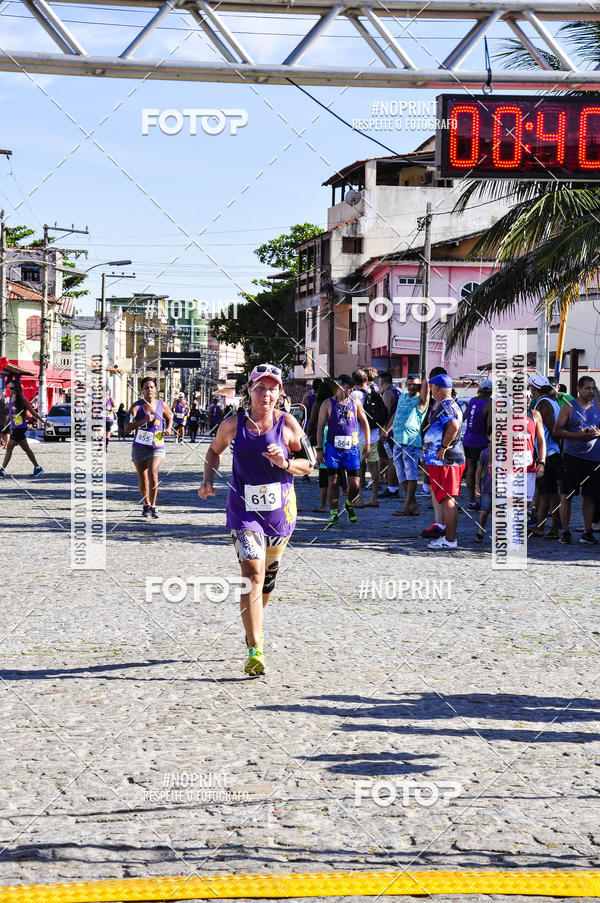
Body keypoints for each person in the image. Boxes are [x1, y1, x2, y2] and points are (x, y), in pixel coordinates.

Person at [198, 363, 314, 676]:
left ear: (280, 392)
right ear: (249, 390)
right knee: (253, 572)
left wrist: (286, 462)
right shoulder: (233, 423)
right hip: (243, 509)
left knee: (268, 577)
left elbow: (311, 463)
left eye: (272, 387)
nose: (266, 393)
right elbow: (213, 452)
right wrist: (208, 479)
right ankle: (255, 647)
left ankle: (254, 619)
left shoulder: (288, 424)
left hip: (280, 513)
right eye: (260, 387)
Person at [316, 374, 370, 526]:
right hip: (333, 448)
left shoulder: (355, 402)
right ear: (339, 386)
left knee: (355, 484)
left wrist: (366, 443)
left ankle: (348, 504)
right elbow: (320, 427)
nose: (349, 392)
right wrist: (319, 448)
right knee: (333, 482)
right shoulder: (327, 403)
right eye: (347, 388)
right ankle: (333, 513)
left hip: (351, 448)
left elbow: (364, 422)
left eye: (352, 389)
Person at [554, 375, 600, 545]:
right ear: (578, 389)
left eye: (593, 388)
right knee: (567, 495)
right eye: (587, 388)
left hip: (594, 459)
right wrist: (577, 436)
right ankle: (565, 531)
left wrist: (597, 433)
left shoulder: (598, 406)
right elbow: (557, 431)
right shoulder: (568, 407)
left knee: (590, 496)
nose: (590, 391)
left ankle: (587, 531)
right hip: (573, 458)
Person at [422, 373, 465, 550]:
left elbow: (453, 426)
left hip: (444, 461)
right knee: (445, 498)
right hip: (443, 460)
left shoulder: (446, 405)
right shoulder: (451, 403)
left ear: (438, 389)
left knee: (447, 499)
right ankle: (447, 536)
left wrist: (444, 447)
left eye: (432, 386)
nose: (430, 389)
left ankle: (450, 539)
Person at [126, 376, 173, 518]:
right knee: (143, 478)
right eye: (146, 387)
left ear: (156, 389)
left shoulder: (161, 404)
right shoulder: (136, 406)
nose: (149, 390)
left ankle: (153, 506)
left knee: (153, 472)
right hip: (140, 446)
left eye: (152, 387)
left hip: (157, 444)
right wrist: (143, 421)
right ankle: (146, 504)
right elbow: (127, 427)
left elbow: (169, 417)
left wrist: (169, 428)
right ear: (142, 390)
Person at [387, 375, 429, 516]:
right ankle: (413, 504)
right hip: (397, 439)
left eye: (415, 385)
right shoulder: (403, 396)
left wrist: (424, 379)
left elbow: (426, 386)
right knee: (400, 473)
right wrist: (387, 430)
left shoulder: (421, 401)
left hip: (411, 440)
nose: (412, 387)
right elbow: (396, 414)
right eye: (409, 384)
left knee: (411, 473)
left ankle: (407, 505)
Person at [529, 374, 561, 538]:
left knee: (548, 493)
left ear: (535, 389)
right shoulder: (551, 402)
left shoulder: (544, 405)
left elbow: (553, 429)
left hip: (548, 454)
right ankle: (544, 526)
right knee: (548, 493)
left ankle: (549, 527)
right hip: (551, 452)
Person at [352, 368, 384, 507]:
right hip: (374, 435)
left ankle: (359, 499)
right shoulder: (375, 391)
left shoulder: (354, 394)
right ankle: (374, 497)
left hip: (358, 437)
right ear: (366, 379)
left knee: (357, 468)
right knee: (374, 467)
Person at [0, 378, 45, 477]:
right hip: (15, 427)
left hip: (20, 427)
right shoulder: (11, 396)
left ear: (16, 388)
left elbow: (32, 412)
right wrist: (6, 424)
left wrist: (43, 422)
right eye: (9, 388)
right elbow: (11, 414)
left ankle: (1, 470)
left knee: (10, 447)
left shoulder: (21, 399)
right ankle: (38, 468)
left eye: (11, 388)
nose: (10, 390)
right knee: (26, 449)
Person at [462, 379, 492, 508]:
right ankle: (482, 500)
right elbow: (490, 427)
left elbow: (463, 417)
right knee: (482, 472)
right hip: (480, 442)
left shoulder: (471, 401)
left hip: (467, 440)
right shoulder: (490, 405)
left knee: (470, 470)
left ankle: (471, 501)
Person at [377, 372, 400, 499]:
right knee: (390, 459)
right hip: (394, 430)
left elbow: (384, 414)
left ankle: (392, 488)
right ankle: (392, 486)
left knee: (390, 460)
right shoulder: (397, 391)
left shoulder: (387, 393)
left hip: (388, 431)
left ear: (381, 382)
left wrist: (383, 430)